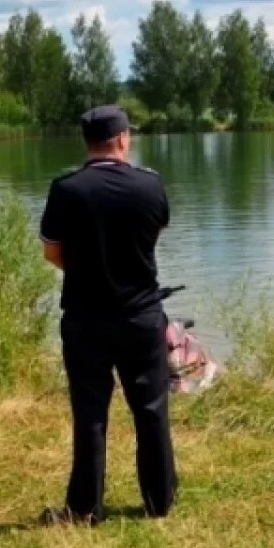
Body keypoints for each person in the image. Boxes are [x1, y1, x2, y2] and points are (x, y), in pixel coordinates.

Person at [38, 104, 177, 526]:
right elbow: (153, 238)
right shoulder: (150, 187)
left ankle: (85, 508)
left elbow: (52, 253)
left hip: (85, 319)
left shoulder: (66, 189)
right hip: (141, 316)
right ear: (121, 139)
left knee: (90, 412)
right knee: (151, 407)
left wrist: (89, 270)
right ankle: (159, 500)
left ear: (88, 142)